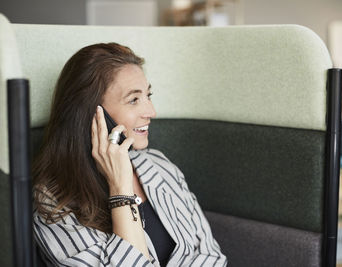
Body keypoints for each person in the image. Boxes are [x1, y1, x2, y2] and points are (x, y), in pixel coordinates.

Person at [32, 42, 227, 267]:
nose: (151, 112)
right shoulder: (53, 203)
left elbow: (211, 255)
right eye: (134, 99)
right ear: (92, 115)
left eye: (148, 95)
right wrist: (120, 189)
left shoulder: (158, 165)